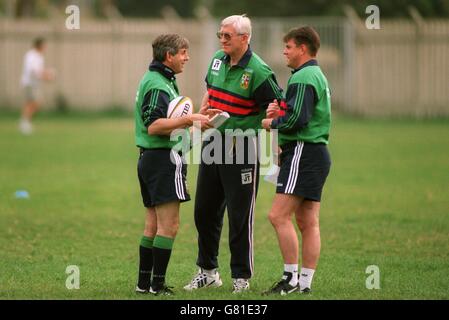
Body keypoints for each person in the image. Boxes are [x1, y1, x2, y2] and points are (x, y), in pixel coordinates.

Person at [184, 14, 283, 293]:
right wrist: (202, 118)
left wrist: (275, 144)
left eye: (228, 35)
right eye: (221, 35)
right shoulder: (217, 59)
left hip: (241, 149)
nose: (222, 40)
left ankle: (241, 277)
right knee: (204, 211)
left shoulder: (260, 71)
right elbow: (210, 91)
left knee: (239, 216)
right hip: (213, 145)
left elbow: (275, 107)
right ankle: (207, 271)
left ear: (245, 38)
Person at [134, 34, 211, 295]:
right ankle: (157, 285)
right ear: (169, 56)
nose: (187, 58)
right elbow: (154, 126)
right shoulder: (158, 85)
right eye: (183, 53)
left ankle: (144, 284)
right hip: (162, 160)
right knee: (170, 226)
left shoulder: (159, 80)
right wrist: (189, 120)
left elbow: (170, 125)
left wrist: (195, 120)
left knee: (152, 225)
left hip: (149, 159)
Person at [260, 26, 332, 295]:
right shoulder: (316, 75)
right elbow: (301, 112)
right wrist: (281, 109)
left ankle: (290, 279)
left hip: (304, 151)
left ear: (303, 48)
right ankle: (304, 283)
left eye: (288, 47)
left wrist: (271, 122)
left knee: (278, 215)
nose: (284, 51)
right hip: (316, 153)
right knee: (307, 221)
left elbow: (296, 120)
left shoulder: (302, 77)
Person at [19, 37, 54, 135]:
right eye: (44, 46)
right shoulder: (31, 56)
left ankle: (25, 123)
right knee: (35, 103)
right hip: (29, 83)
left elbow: (39, 71)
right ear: (39, 45)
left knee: (31, 103)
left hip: (34, 83)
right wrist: (47, 76)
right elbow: (34, 71)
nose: (45, 48)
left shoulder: (39, 56)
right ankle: (25, 123)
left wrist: (46, 74)